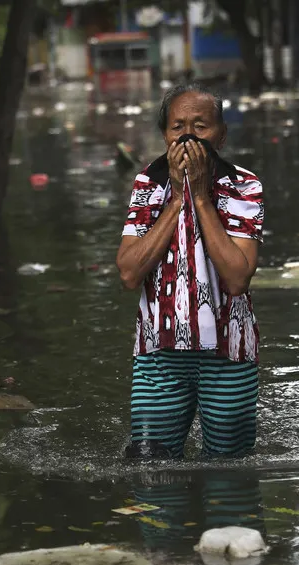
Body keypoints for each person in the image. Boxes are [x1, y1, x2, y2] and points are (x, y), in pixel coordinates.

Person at [115, 83, 265, 459]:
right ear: (165, 135)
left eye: (200, 127)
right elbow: (129, 274)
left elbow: (236, 278)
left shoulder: (243, 187)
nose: (186, 136)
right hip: (158, 353)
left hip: (229, 354)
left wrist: (199, 196)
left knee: (229, 473)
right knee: (151, 469)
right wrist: (178, 198)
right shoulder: (148, 184)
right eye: (177, 126)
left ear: (222, 134)